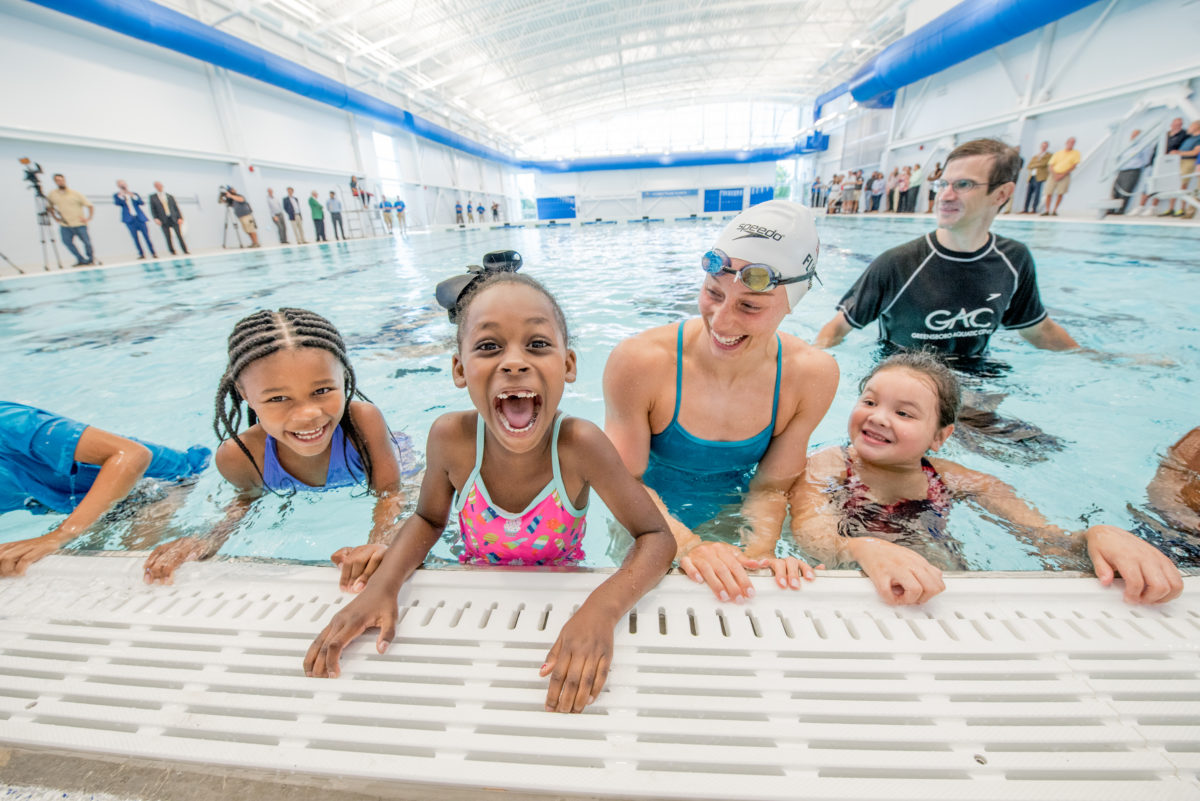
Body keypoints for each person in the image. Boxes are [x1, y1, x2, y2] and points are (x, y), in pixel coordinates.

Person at [303, 274, 676, 714]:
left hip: (557, 582)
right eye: (488, 346)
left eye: (537, 344)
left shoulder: (579, 444)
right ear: (459, 369)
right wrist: (381, 587)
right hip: (474, 569)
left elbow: (656, 537)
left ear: (569, 364)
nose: (514, 362)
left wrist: (601, 611)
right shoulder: (451, 438)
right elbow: (427, 520)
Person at [784, 352, 1184, 606]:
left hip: (941, 589)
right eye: (869, 401)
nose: (877, 417)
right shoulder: (826, 467)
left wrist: (1096, 536)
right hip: (854, 590)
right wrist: (863, 548)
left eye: (904, 414)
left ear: (941, 436)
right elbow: (813, 535)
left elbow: (1046, 539)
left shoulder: (958, 480)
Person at [604, 200, 839, 603]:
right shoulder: (641, 362)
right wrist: (688, 546)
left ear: (791, 303)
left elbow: (769, 489)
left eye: (749, 306)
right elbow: (622, 483)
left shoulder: (810, 375)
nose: (721, 321)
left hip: (734, 518)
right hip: (643, 524)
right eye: (713, 293)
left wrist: (759, 558)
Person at [142, 308, 415, 588]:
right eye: (278, 398)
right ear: (245, 393)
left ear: (343, 377)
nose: (308, 414)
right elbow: (245, 502)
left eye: (322, 391)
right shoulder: (239, 456)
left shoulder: (363, 423)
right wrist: (207, 540)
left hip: (398, 459)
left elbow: (390, 494)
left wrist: (376, 544)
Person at [817, 138, 1079, 361]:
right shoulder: (898, 263)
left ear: (1001, 195)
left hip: (978, 376)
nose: (945, 196)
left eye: (963, 185)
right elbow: (836, 330)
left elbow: (1039, 330)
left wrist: (1092, 359)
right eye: (943, 184)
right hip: (904, 382)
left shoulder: (1014, 259)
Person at [0, 401, 210, 577]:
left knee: (132, 565)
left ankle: (201, 536)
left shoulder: (11, 423)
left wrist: (61, 534)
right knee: (69, 561)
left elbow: (132, 454)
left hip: (162, 482)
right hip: (94, 503)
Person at [46, 173, 94, 266]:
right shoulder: (52, 194)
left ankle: (90, 259)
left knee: (87, 242)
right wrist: (55, 217)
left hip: (79, 223)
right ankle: (81, 259)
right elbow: (50, 207)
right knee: (66, 242)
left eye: (61, 180)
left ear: (64, 180)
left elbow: (90, 205)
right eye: (57, 180)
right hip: (65, 225)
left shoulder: (75, 193)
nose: (60, 182)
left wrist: (88, 218)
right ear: (55, 182)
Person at [1107, 130, 1155, 216]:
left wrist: (1137, 165)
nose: (1133, 136)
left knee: (1126, 190)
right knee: (1115, 190)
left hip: (1133, 170)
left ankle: (1121, 210)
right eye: (1132, 135)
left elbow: (1146, 159)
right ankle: (1112, 208)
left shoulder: (1143, 146)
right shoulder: (1128, 146)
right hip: (1122, 170)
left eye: (1135, 135)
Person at [1161, 120, 1200, 218]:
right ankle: (1181, 211)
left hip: (1188, 162)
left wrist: (1179, 153)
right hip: (1182, 162)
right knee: (1182, 186)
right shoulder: (1189, 138)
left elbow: (1196, 152)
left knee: (1184, 185)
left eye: (1191, 125)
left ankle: (1184, 210)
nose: (1189, 127)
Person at [113, 180, 157, 260]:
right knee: (135, 238)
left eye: (123, 184)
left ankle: (153, 252)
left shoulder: (134, 194)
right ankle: (141, 254)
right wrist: (121, 195)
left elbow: (141, 202)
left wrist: (132, 195)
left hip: (139, 218)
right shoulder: (117, 195)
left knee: (146, 236)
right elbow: (118, 203)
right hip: (129, 220)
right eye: (120, 184)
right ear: (118, 186)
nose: (122, 185)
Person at [1041, 137, 1080, 216]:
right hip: (1053, 175)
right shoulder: (1058, 153)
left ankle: (1055, 210)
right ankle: (1047, 210)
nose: (1071, 144)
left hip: (1065, 175)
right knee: (1048, 192)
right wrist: (1055, 175)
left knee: (1060, 193)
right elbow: (1050, 165)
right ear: (1066, 142)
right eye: (1070, 142)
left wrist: (1062, 174)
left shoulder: (1076, 153)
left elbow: (1074, 166)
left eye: (1073, 142)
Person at [149, 181, 189, 254]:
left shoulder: (169, 196)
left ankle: (185, 250)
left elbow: (176, 208)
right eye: (157, 186)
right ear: (155, 187)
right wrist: (156, 218)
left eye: (160, 185)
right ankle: (172, 251)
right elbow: (153, 209)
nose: (159, 187)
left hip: (173, 218)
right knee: (168, 236)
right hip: (163, 219)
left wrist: (180, 218)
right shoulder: (153, 197)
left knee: (179, 235)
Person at [1022, 141, 1051, 214]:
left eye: (1045, 146)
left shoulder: (1048, 155)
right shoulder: (1035, 156)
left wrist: (1035, 164)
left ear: (1047, 147)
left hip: (1039, 177)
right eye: (1043, 145)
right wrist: (1037, 164)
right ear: (1041, 146)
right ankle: (1025, 209)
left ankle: (1034, 209)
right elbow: (1029, 166)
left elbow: (1044, 164)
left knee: (1037, 194)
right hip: (1031, 176)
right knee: (1028, 193)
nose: (1043, 147)